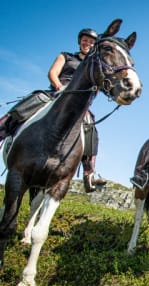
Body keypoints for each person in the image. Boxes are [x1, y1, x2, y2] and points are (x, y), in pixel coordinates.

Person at [0, 28, 106, 193]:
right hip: (56, 94)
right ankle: (3, 129)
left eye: (92, 42)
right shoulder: (66, 56)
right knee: (30, 102)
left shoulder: (94, 66)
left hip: (79, 104)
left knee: (91, 127)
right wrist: (60, 88)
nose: (88, 44)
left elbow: (97, 87)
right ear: (80, 41)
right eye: (85, 40)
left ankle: (89, 173)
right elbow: (53, 73)